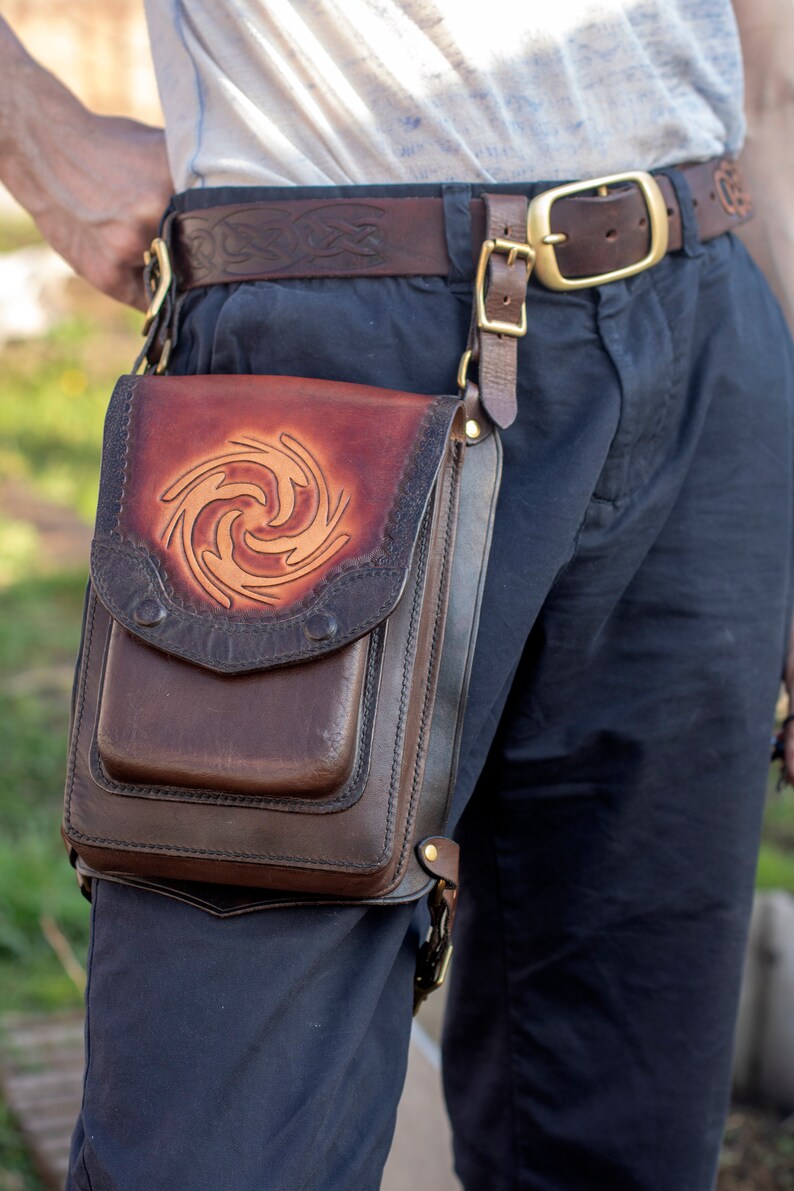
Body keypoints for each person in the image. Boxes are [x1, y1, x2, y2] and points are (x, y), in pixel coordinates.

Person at [2, 3, 794, 1188]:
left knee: (623, 1111)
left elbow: (769, 71)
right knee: (219, 1146)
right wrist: (37, 131)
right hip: (325, 339)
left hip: (705, 307)